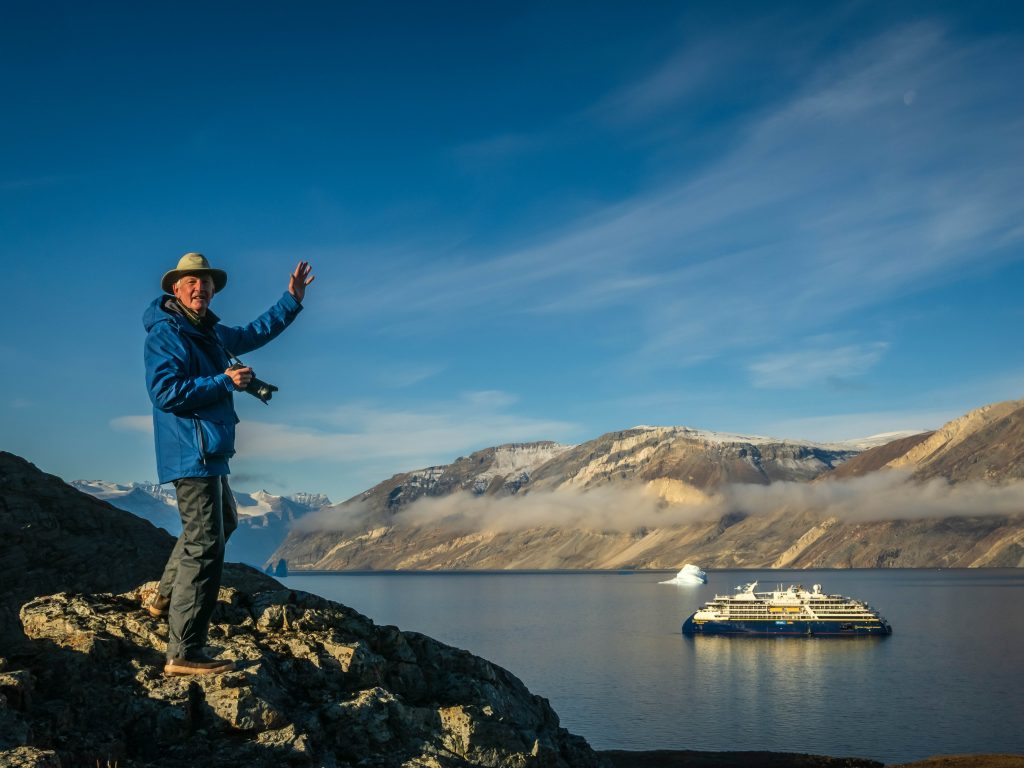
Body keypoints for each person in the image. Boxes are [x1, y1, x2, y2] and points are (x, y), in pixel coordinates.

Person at [143, 252, 314, 676]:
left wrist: (290, 300)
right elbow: (165, 393)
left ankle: (164, 598)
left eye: (207, 283)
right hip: (190, 449)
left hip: (209, 449)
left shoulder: (209, 332)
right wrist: (224, 380)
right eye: (192, 282)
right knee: (206, 544)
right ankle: (184, 652)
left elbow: (254, 332)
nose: (201, 288)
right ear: (176, 289)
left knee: (225, 521)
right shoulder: (167, 334)